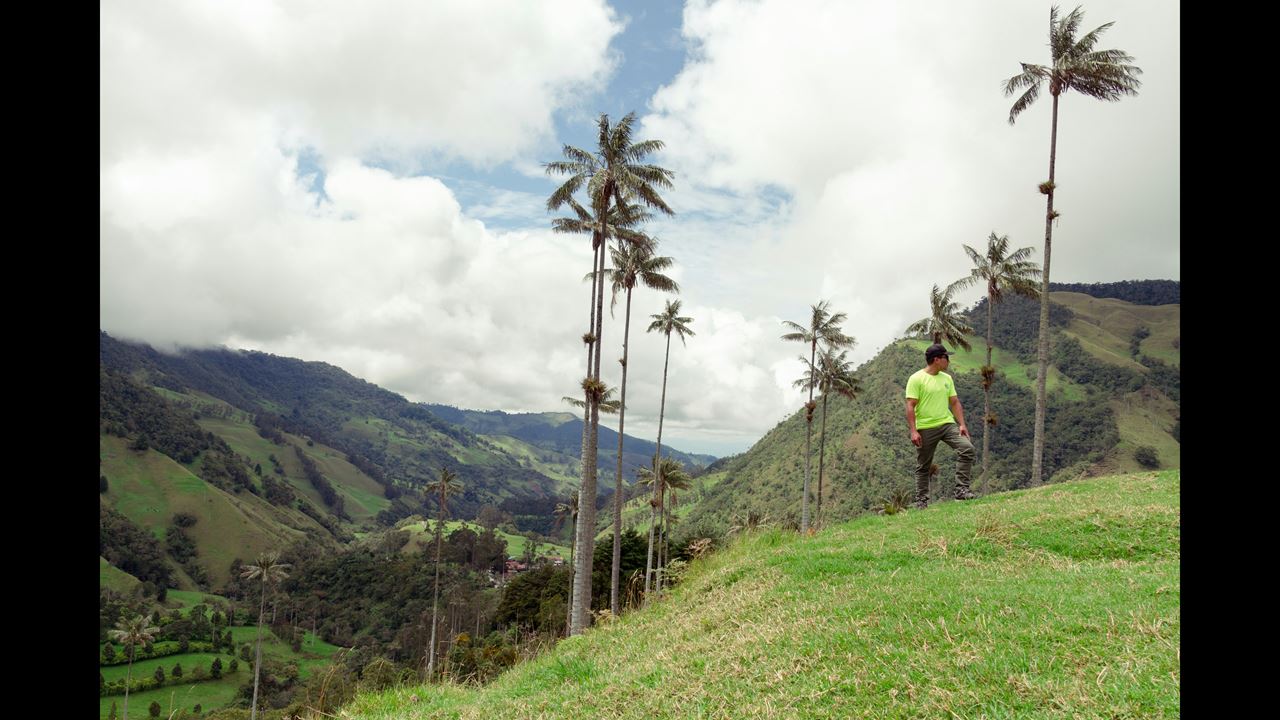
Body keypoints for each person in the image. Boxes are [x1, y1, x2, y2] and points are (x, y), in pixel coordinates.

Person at [905, 343, 977, 508]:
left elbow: (954, 402)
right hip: (925, 427)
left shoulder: (947, 378)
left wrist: (962, 424)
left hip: (947, 424)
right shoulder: (916, 379)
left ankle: (962, 491)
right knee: (923, 465)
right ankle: (922, 501)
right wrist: (914, 431)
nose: (948, 361)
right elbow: (910, 406)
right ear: (937, 360)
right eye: (946, 358)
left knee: (967, 449)